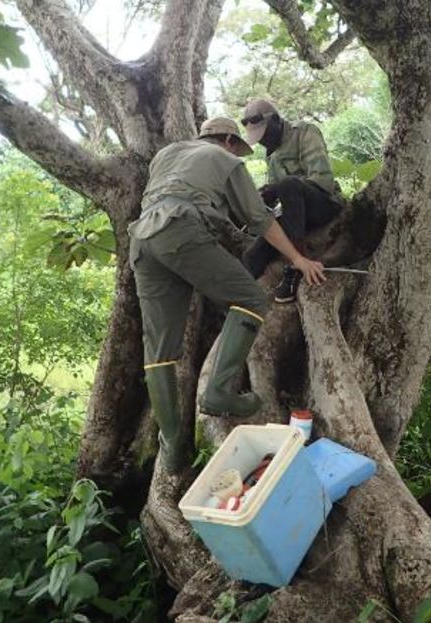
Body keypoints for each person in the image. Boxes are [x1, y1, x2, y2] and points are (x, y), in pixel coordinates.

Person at [130, 116, 326, 473]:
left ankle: (173, 449)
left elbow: (186, 199)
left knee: (159, 351)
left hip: (143, 240)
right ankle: (219, 392)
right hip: (181, 231)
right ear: (229, 141)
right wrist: (299, 258)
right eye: (240, 146)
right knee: (250, 299)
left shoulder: (167, 154)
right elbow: (260, 220)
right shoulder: (227, 160)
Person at [239, 99, 344, 302]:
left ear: (277, 120)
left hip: (324, 205)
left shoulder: (304, 132)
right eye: (259, 140)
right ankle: (241, 302)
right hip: (294, 215)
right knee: (254, 252)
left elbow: (323, 181)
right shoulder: (271, 154)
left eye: (265, 135)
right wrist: (267, 197)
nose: (263, 142)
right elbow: (280, 197)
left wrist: (279, 189)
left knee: (288, 185)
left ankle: (296, 268)